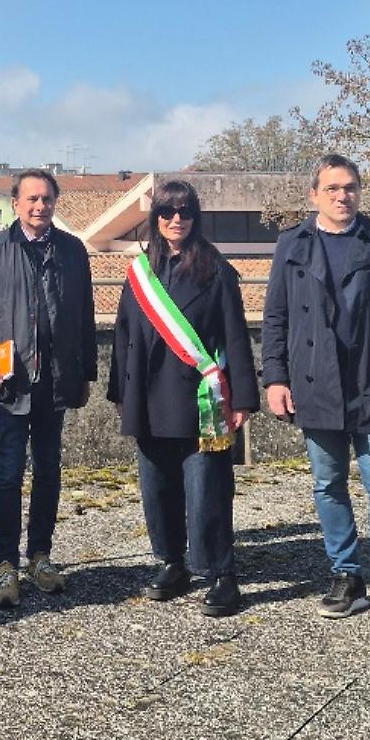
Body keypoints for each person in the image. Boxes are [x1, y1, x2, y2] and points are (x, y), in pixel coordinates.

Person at [261, 154, 370, 638]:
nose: (342, 196)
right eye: (332, 188)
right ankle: (346, 575)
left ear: (359, 191)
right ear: (313, 194)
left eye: (350, 187)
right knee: (328, 486)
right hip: (316, 383)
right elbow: (276, 318)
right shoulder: (291, 244)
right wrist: (275, 378)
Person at [108, 180, 257, 617]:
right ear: (155, 218)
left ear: (196, 217)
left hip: (201, 399)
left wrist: (243, 396)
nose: (178, 220)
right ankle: (172, 562)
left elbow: (234, 335)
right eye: (169, 212)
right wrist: (120, 390)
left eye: (186, 211)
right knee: (157, 487)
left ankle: (221, 573)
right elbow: (122, 336)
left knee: (207, 488)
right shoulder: (140, 272)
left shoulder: (215, 270)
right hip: (148, 398)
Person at [0, 169, 98, 608]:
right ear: (15, 203)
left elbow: (85, 318)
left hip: (56, 381)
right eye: (32, 199)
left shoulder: (73, 251)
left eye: (47, 199)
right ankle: (5, 565)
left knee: (49, 470)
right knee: (9, 473)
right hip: (11, 383)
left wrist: (86, 374)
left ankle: (41, 556)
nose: (40, 206)